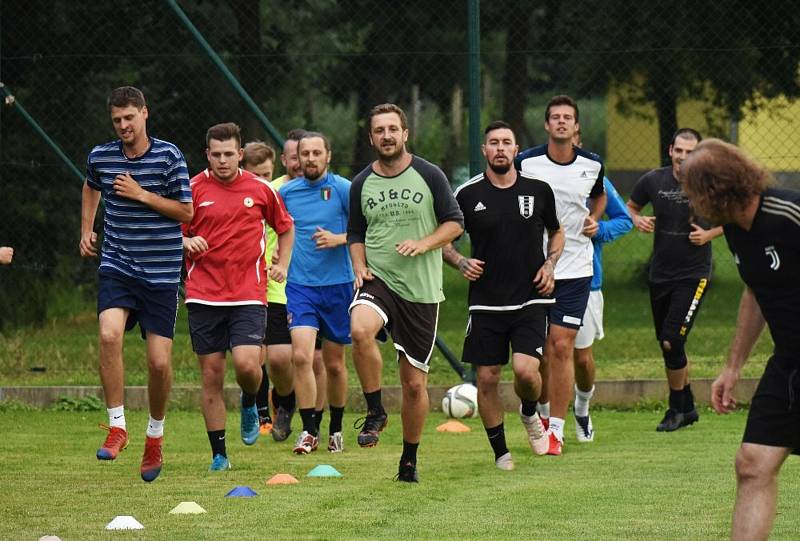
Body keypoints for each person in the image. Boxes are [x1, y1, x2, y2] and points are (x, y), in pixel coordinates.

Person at [681, 138, 800, 541]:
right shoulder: (734, 229)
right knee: (753, 462)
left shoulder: (789, 214)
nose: (686, 198)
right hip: (789, 361)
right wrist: (733, 368)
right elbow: (756, 293)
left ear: (714, 188)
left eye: (689, 189)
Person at [80, 86, 193, 482]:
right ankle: (117, 427)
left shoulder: (169, 156)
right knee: (109, 335)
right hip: (118, 265)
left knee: (158, 363)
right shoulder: (102, 156)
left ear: (145, 113)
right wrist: (86, 228)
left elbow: (186, 212)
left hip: (160, 273)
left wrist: (141, 194)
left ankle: (155, 436)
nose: (124, 126)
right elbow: (91, 185)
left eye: (130, 117)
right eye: (117, 120)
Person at [349, 103, 464, 482]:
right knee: (360, 329)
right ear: (371, 138)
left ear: (404, 134)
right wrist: (359, 265)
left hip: (420, 290)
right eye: (379, 130)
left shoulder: (429, 175)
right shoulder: (362, 182)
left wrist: (425, 243)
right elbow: (355, 233)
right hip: (378, 279)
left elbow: (454, 224)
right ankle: (375, 410)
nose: (386, 136)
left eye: (392, 129)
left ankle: (409, 460)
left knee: (414, 384)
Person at [443, 121, 563, 470]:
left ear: (515, 150)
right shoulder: (466, 194)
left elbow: (557, 233)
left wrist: (551, 265)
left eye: (506, 142)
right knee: (487, 377)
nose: (499, 148)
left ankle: (529, 414)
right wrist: (459, 260)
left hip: (531, 296)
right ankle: (501, 453)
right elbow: (444, 240)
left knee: (526, 372)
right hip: (485, 301)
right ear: (484, 150)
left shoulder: (538, 190)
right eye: (493, 142)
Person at [183, 123, 294, 471]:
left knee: (248, 365)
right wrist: (186, 242)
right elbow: (174, 233)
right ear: (207, 155)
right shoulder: (192, 189)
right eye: (215, 154)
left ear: (240, 154)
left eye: (228, 154)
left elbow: (286, 228)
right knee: (212, 375)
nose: (222, 160)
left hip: (248, 291)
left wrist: (283, 265)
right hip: (203, 294)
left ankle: (250, 399)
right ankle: (219, 455)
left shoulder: (260, 189)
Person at [514, 95, 606, 455]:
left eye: (569, 118)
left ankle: (556, 430)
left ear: (577, 126)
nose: (562, 122)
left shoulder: (592, 164)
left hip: (576, 269)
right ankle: (537, 413)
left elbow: (597, 198)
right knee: (536, 356)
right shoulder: (527, 162)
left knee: (562, 346)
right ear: (547, 125)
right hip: (533, 270)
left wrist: (594, 219)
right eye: (556, 117)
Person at [626, 128, 722, 432]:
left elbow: (735, 219)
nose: (682, 157)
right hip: (660, 275)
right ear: (670, 151)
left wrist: (708, 234)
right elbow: (631, 207)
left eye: (689, 151)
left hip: (694, 275)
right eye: (678, 150)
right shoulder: (653, 180)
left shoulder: (711, 184)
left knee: (672, 340)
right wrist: (636, 219)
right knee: (669, 344)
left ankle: (676, 408)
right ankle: (689, 407)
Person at [279, 131, 353, 454]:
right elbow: (273, 229)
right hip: (300, 286)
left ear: (328, 156)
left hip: (338, 286)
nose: (309, 159)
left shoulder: (343, 189)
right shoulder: (286, 193)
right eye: (303, 153)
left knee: (335, 364)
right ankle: (309, 431)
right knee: (301, 356)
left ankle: (335, 428)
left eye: (315, 153)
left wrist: (339, 239)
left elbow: (368, 230)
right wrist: (276, 258)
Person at [257, 130, 330, 443]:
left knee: (315, 360)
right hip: (277, 286)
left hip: (318, 286)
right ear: (286, 159)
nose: (304, 161)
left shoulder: (329, 190)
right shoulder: (271, 192)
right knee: (278, 359)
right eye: (297, 155)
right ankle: (285, 401)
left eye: (311, 154)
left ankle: (316, 422)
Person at [571, 130, 633, 442]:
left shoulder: (593, 177)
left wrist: (599, 229)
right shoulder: (537, 176)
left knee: (581, 356)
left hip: (587, 281)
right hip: (544, 279)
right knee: (542, 354)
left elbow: (625, 220)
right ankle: (544, 419)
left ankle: (582, 409)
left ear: (578, 138)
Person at [242, 140, 277, 434]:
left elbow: (288, 231)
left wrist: (282, 257)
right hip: (245, 284)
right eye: (258, 175)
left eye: (268, 174)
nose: (264, 182)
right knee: (256, 353)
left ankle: (273, 405)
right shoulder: (240, 196)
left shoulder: (275, 196)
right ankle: (260, 409)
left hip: (275, 285)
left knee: (276, 355)